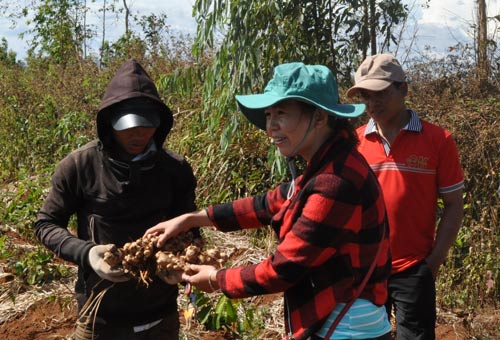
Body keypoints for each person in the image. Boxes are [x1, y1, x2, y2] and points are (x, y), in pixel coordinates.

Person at [146, 62, 392, 340]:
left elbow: (284, 268)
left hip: (344, 328)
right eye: (268, 114)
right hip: (333, 319)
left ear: (320, 117)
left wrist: (217, 279)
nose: (270, 128)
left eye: (282, 114)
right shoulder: (326, 167)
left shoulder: (335, 182)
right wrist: (191, 218)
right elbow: (266, 204)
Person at [34, 58, 198, 340]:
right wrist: (87, 254)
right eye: (129, 126)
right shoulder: (80, 166)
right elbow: (46, 224)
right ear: (109, 124)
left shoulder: (175, 170)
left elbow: (191, 228)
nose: (139, 134)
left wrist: (181, 262)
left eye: (148, 126)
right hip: (100, 316)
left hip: (160, 314)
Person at [346, 53, 464, 340]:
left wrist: (433, 262)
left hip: (413, 268)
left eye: (380, 93)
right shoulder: (354, 142)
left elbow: (453, 205)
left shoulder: (438, 140)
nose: (372, 104)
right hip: (364, 271)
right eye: (365, 96)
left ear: (403, 89)